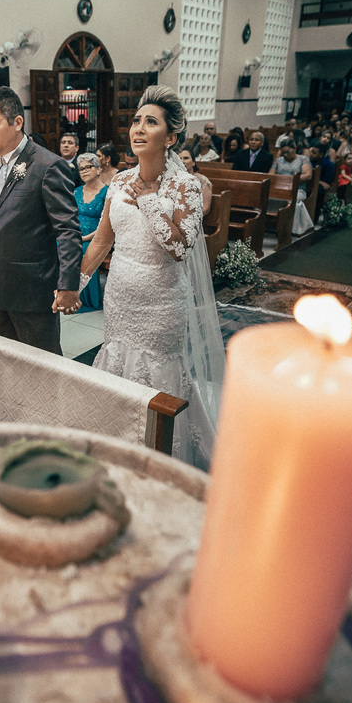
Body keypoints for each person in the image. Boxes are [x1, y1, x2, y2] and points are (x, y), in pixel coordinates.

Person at [77, 85, 224, 469]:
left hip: (161, 304)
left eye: (151, 122)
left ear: (170, 137)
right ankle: (116, 448)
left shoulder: (186, 186)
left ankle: (158, 458)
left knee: (157, 376)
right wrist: (75, 284)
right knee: (116, 363)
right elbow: (102, 241)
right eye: (136, 121)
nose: (139, 128)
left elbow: (180, 248)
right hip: (120, 297)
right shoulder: (118, 182)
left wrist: (147, 200)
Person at [0, 87, 81, 354]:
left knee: (43, 364)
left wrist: (68, 285)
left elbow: (67, 230)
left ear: (17, 122)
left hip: (32, 289)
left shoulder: (47, 165)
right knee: (6, 359)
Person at [73, 153, 107, 311]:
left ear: (98, 169)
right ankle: (64, 294)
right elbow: (70, 217)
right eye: (81, 169)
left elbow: (107, 224)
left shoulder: (107, 192)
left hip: (97, 236)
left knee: (85, 249)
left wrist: (85, 237)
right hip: (76, 233)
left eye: (88, 167)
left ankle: (86, 298)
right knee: (59, 245)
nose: (84, 171)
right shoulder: (76, 192)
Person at [272, 139, 314, 235]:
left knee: (293, 201)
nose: (286, 155)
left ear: (294, 148)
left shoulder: (303, 159)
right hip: (280, 188)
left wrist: (290, 180)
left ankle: (290, 228)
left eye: (288, 152)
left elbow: (307, 175)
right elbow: (271, 175)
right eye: (283, 153)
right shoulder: (278, 160)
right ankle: (273, 225)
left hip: (298, 189)